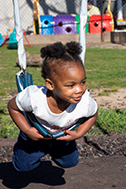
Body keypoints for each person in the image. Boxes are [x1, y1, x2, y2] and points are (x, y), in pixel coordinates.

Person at [8, 41, 98, 172]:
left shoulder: (84, 103)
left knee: (70, 162)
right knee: (23, 167)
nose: (80, 89)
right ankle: (24, 150)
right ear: (50, 85)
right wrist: (27, 130)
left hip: (61, 137)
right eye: (71, 85)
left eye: (83, 82)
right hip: (35, 135)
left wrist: (79, 133)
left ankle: (54, 150)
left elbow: (93, 114)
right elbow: (12, 107)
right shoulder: (34, 97)